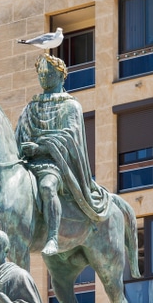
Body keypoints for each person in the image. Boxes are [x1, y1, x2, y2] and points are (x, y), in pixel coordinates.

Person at [16, 54, 109, 256]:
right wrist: (23, 147)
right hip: (26, 162)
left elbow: (70, 137)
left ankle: (52, 237)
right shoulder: (31, 106)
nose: (43, 78)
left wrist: (40, 148)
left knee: (48, 187)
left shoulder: (70, 105)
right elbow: (19, 132)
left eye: (48, 74)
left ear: (60, 76)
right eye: (40, 74)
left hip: (54, 163)